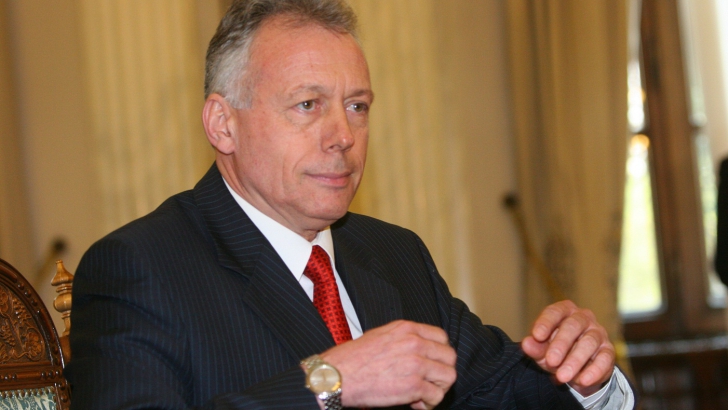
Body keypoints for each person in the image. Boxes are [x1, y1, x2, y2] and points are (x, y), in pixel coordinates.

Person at [66, 0, 635, 409]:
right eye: (308, 105)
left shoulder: (393, 253)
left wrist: (584, 375)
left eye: (358, 106)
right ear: (223, 123)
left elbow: (497, 389)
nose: (343, 135)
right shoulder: (140, 268)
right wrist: (329, 382)